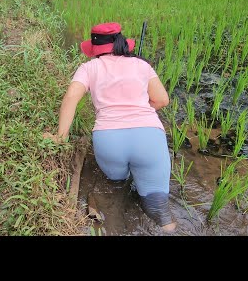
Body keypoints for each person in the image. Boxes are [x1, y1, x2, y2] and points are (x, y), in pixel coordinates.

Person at [48, 22, 176, 232]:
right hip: (149, 138)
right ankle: (169, 227)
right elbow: (162, 100)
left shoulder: (89, 68)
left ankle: (115, 214)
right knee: (159, 206)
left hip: (109, 141)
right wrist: (142, 106)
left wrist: (60, 137)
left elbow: (71, 96)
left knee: (117, 180)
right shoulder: (141, 65)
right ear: (122, 43)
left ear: (95, 48)